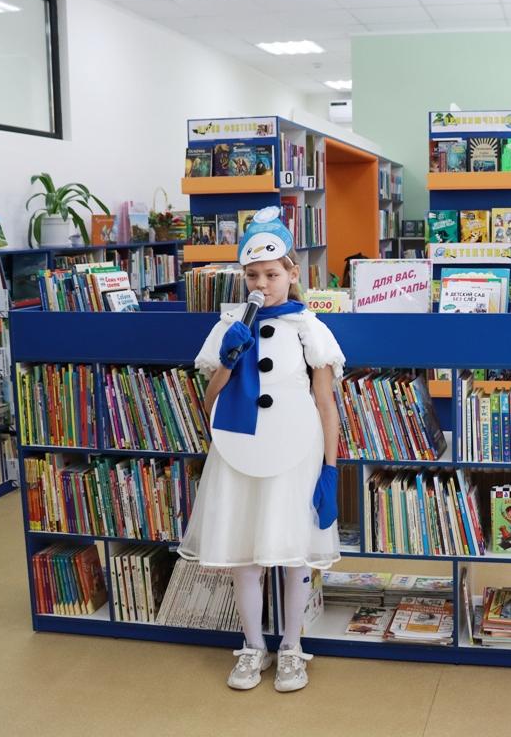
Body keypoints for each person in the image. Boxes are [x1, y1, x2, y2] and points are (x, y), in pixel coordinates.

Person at [177, 207, 345, 693]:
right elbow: (209, 403)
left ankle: (292, 647)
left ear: (292, 274)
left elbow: (325, 403)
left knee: (294, 554)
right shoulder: (229, 325)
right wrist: (229, 361)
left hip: (295, 451)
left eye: (272, 274)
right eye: (253, 275)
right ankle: (254, 647)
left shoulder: (309, 327)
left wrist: (330, 469)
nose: (262, 284)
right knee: (245, 555)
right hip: (240, 450)